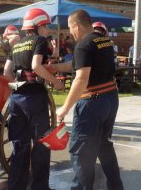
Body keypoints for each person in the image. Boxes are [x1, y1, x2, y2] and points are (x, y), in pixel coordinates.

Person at [53, 10, 123, 190]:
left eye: (70, 28)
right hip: (110, 98)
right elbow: (79, 64)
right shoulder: (104, 41)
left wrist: (65, 108)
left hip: (92, 103)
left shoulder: (83, 44)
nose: (70, 32)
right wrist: (54, 67)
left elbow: (81, 78)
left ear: (76, 25)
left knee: (81, 153)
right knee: (103, 145)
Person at [3, 8, 64, 190]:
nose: (47, 30)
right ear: (37, 26)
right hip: (35, 99)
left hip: (16, 100)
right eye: (45, 26)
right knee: (40, 146)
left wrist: (20, 83)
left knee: (19, 147)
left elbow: (6, 73)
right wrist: (55, 82)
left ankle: (16, 186)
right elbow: (36, 65)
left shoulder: (17, 45)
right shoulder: (40, 40)